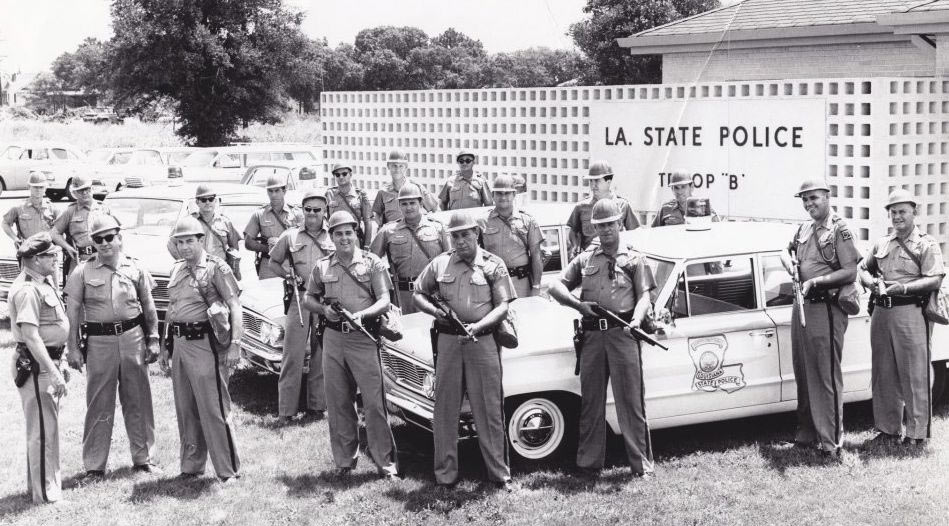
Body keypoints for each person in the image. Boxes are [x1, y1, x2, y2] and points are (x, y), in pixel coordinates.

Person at [549, 199, 657, 480]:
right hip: (592, 335)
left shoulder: (634, 258)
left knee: (631, 401)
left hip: (623, 334)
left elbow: (645, 294)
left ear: (620, 223)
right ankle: (588, 464)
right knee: (591, 402)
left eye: (610, 224)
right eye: (600, 226)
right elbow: (555, 285)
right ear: (593, 228)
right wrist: (577, 305)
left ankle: (641, 466)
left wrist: (636, 318)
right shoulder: (586, 258)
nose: (606, 230)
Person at [413, 210, 516, 491]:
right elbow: (418, 293)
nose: (460, 241)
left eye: (465, 234)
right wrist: (436, 312)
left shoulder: (494, 265)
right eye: (455, 235)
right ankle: (445, 475)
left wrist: (480, 325)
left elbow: (503, 306)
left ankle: (499, 474)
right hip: (448, 342)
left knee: (489, 410)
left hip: (482, 342)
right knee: (445, 410)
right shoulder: (440, 264)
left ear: (476, 234)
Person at [302, 211, 399, 479]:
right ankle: (344, 462)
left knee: (374, 404)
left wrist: (364, 314)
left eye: (348, 232)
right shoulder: (322, 266)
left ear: (356, 234)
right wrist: (323, 309)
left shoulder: (372, 263)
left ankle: (386, 464)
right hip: (333, 339)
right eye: (338, 233)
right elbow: (308, 298)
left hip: (363, 338)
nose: (344, 238)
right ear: (331, 237)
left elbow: (383, 299)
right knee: (338, 401)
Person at [63, 215, 161, 480]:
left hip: (133, 338)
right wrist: (72, 348)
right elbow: (72, 311)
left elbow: (148, 305)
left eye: (109, 237)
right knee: (99, 401)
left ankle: (144, 459)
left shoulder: (136, 268)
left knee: (138, 398)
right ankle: (95, 465)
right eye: (98, 239)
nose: (104, 243)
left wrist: (153, 338)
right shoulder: (82, 271)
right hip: (99, 342)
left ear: (120, 237)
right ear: (93, 243)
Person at [858, 189, 945, 446]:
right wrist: (871, 283)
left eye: (902, 211)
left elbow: (935, 277)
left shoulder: (926, 244)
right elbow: (862, 268)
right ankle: (887, 429)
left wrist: (904, 288)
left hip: (911, 312)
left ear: (914, 212)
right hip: (882, 313)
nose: (897, 216)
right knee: (883, 372)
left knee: (915, 373)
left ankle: (917, 435)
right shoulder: (882, 243)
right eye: (893, 212)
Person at [780, 178, 860, 458]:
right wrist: (789, 261)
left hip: (826, 306)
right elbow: (786, 250)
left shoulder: (840, 228)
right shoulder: (804, 227)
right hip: (802, 306)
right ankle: (807, 433)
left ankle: (831, 443)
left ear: (827, 196)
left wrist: (818, 281)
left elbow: (851, 271)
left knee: (825, 374)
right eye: (804, 199)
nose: (809, 203)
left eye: (814, 197)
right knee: (803, 372)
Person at [163, 217, 243, 481]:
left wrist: (235, 345)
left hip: (206, 343)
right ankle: (191, 465)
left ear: (201, 240)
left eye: (189, 241)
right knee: (186, 407)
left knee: (214, 408)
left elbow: (234, 306)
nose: (184, 247)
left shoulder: (215, 268)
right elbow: (172, 310)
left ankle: (228, 470)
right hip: (180, 345)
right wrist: (167, 346)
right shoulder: (176, 269)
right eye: (180, 242)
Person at [9, 232, 69, 504]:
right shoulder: (27, 290)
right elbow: (31, 336)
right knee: (43, 430)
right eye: (50, 256)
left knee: (47, 427)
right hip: (36, 366)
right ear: (35, 259)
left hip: (47, 362)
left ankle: (43, 486)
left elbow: (52, 327)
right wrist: (54, 372)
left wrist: (62, 361)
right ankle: (45, 495)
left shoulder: (43, 282)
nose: (56, 259)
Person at [268, 189, 335, 422]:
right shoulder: (290, 236)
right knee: (292, 355)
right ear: (302, 211)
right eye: (308, 209)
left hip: (325, 301)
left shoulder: (333, 236)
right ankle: (286, 410)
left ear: (325, 211)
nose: (313, 214)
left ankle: (317, 406)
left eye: (318, 209)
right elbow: (273, 261)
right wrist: (287, 276)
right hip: (300, 299)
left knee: (321, 353)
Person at [370, 183, 450, 314]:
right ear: (399, 206)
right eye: (404, 204)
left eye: (412, 203)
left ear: (421, 203)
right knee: (407, 332)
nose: (408, 207)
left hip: (433, 295)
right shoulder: (388, 231)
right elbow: (371, 262)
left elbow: (450, 261)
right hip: (403, 296)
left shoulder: (438, 228)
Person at [481, 174, 544, 298]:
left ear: (514, 195)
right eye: (499, 193)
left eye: (507, 193)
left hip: (522, 283)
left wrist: (536, 286)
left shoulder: (527, 220)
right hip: (494, 283)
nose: (503, 197)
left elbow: (536, 254)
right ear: (492, 195)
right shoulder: (482, 221)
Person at [167, 184, 242, 280]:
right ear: (197, 202)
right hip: (196, 272)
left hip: (219, 272)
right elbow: (171, 244)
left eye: (210, 199)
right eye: (203, 200)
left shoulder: (225, 222)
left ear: (215, 201)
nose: (207, 202)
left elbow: (234, 248)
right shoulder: (189, 222)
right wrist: (184, 263)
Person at [566, 161, 639, 255]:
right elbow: (573, 232)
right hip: (590, 261)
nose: (593, 185)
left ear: (608, 181)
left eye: (597, 181)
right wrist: (575, 248)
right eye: (590, 181)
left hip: (616, 259)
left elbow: (635, 232)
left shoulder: (622, 205)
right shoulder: (581, 207)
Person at [244, 174, 303, 279]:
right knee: (268, 294)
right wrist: (270, 249)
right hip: (268, 264)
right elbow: (248, 242)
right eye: (270, 191)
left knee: (295, 294)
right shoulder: (260, 214)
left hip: (292, 263)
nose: (273, 195)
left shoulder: (296, 213)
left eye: (277, 191)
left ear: (284, 191)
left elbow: (305, 238)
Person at [50, 176, 110, 278]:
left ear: (92, 189)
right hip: (81, 260)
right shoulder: (70, 211)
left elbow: (115, 234)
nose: (85, 193)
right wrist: (67, 247)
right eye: (81, 191)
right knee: (76, 291)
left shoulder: (103, 209)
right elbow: (54, 233)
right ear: (75, 193)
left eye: (87, 189)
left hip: (103, 257)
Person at [372, 150, 439, 225]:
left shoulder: (416, 188)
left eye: (401, 166)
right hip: (392, 233)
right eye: (394, 165)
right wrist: (382, 227)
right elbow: (376, 213)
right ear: (388, 166)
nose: (397, 169)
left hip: (413, 232)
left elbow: (434, 210)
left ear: (406, 167)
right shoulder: (383, 192)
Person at [326, 163, 373, 249]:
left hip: (354, 238)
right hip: (335, 239)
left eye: (344, 174)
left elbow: (368, 221)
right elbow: (326, 221)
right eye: (337, 174)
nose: (341, 177)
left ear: (350, 174)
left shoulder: (360, 194)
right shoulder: (329, 194)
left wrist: (367, 244)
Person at [3, 172, 59, 244]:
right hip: (27, 250)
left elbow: (61, 227)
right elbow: (5, 223)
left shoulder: (52, 208)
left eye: (41, 187)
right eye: (35, 187)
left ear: (45, 188)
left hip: (48, 250)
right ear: (29, 187)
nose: (38, 190)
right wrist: (15, 239)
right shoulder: (19, 207)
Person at [651, 173, 719, 227]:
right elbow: (653, 232)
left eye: (683, 187)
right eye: (676, 188)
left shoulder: (703, 206)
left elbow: (717, 230)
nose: (680, 191)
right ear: (672, 190)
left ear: (691, 187)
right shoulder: (665, 208)